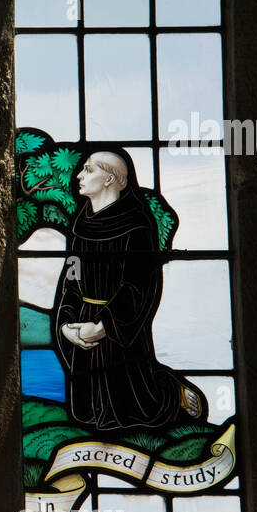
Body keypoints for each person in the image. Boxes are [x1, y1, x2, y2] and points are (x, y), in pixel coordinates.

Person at [53, 149, 204, 431]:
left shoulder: (136, 225)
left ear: (110, 178)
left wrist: (102, 326)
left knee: (141, 408)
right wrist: (66, 324)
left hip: (120, 326)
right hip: (84, 318)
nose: (79, 175)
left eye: (88, 169)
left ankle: (174, 393)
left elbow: (138, 285)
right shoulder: (81, 224)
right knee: (85, 414)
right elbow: (71, 276)